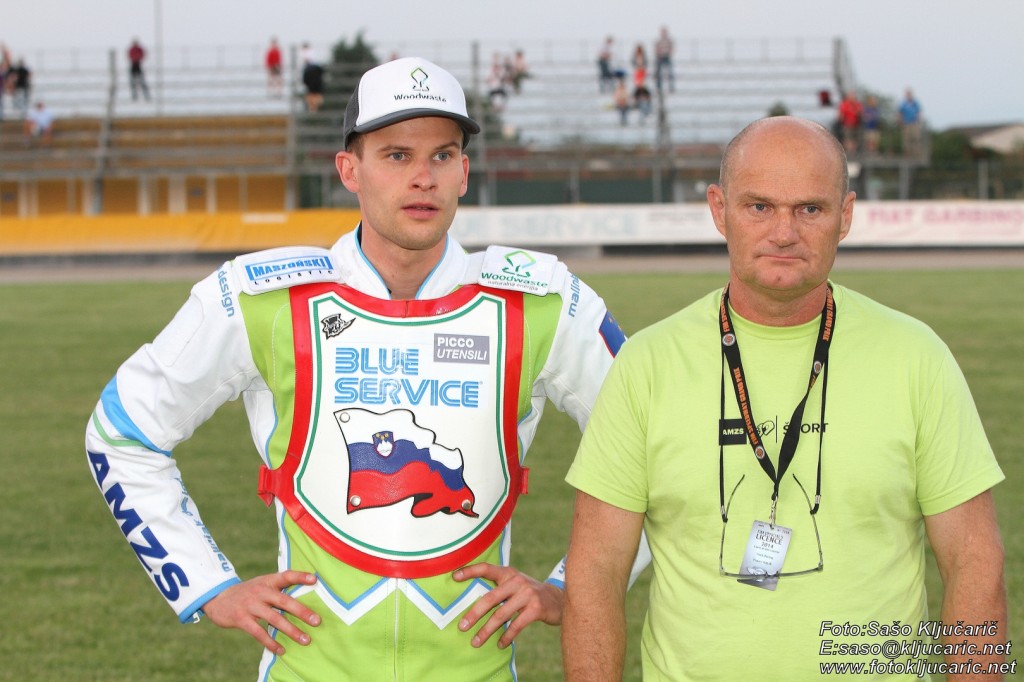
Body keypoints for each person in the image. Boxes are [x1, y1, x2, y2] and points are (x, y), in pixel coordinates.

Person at [85, 56, 635, 681]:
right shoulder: (261, 298)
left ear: (464, 172)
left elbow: (656, 447)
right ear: (350, 170)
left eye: (442, 155)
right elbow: (121, 434)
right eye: (397, 155)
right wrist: (208, 586)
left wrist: (569, 587)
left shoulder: (541, 302)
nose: (422, 178)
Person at [562, 116, 1007, 680]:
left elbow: (975, 563)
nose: (783, 232)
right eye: (760, 207)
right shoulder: (647, 364)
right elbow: (595, 573)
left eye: (810, 209)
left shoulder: (918, 357)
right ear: (719, 209)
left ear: (845, 216)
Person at [300, 42, 324, 112]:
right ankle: (314, 108)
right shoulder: (309, 53)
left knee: (313, 96)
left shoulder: (305, 53)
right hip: (313, 77)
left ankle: (313, 108)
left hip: (311, 76)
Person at [899, 88, 923, 157]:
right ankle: (907, 152)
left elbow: (919, 112)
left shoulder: (915, 103)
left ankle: (916, 152)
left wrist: (918, 120)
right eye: (907, 94)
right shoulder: (903, 103)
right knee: (906, 139)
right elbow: (900, 112)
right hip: (906, 123)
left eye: (909, 94)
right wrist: (900, 121)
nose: (909, 95)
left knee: (916, 138)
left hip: (914, 123)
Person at [653, 26, 674, 93]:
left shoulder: (669, 41)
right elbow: (656, 50)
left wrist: (667, 53)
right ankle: (658, 87)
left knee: (670, 71)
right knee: (657, 71)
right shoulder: (658, 41)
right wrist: (660, 54)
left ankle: (671, 87)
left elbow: (672, 49)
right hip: (660, 58)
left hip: (667, 57)